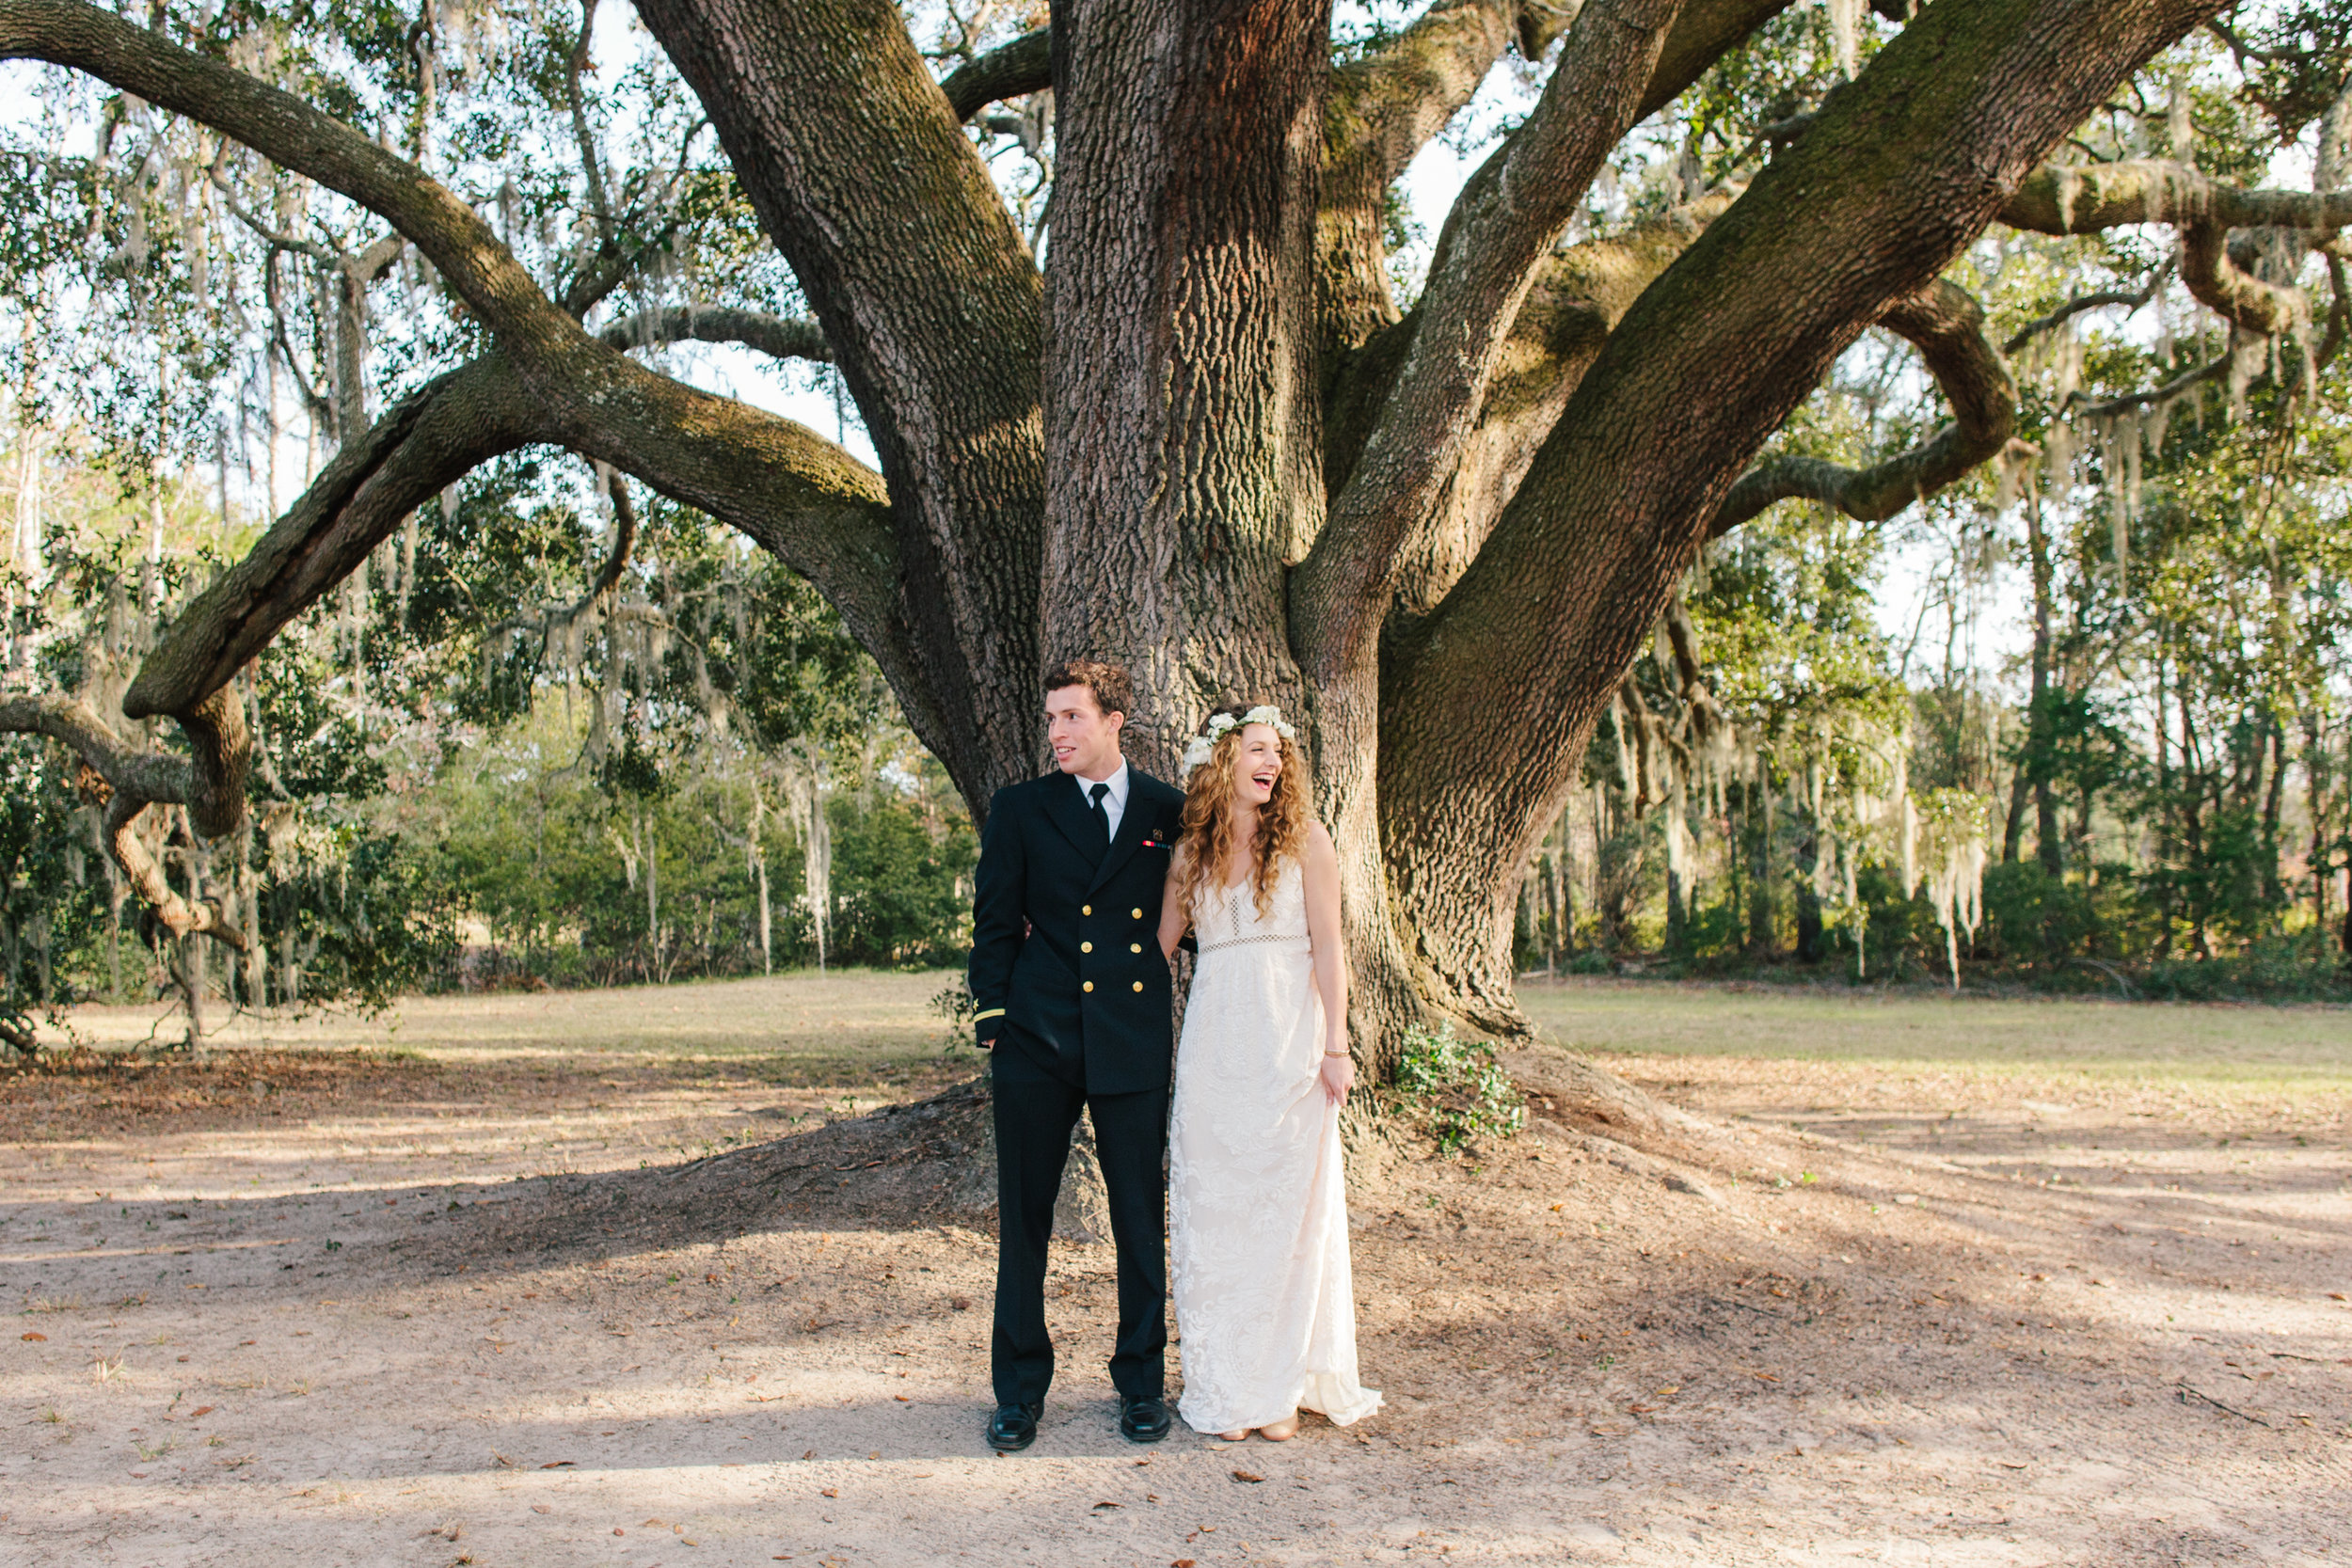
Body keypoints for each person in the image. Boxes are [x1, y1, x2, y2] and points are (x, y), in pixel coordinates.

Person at [966, 658, 1187, 1453]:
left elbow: (1192, 902)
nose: (1057, 732)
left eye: (1071, 717)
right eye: (1052, 718)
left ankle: (1140, 1383)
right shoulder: (1021, 808)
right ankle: (1018, 1391)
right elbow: (994, 919)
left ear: (1113, 719)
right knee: (1024, 1220)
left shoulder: (1168, 807)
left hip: (1130, 1038)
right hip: (1037, 1038)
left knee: (1137, 1215)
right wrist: (994, 1017)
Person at [1156, 704, 1381, 1441]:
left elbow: (1329, 950)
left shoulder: (1309, 841)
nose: (1272, 763)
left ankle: (1282, 1383)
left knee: (1287, 1215)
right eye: (1258, 749)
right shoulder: (1192, 851)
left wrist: (1337, 1047)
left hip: (1290, 1046)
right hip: (1216, 1049)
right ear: (1225, 758)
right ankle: (1229, 1384)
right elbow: (1154, 949)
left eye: (1279, 754)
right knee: (1219, 1213)